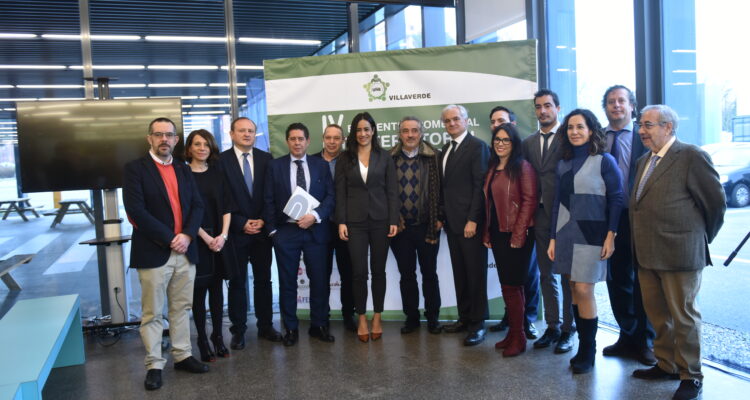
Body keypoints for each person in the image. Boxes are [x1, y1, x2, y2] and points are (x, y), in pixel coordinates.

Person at [630, 105, 725, 400]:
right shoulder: (644, 160)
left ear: (668, 126)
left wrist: (698, 239)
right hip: (647, 254)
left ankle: (691, 375)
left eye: (647, 125)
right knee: (658, 315)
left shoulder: (691, 156)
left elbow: (715, 204)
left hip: (680, 253)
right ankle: (667, 364)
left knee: (684, 318)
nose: (641, 131)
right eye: (640, 125)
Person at [123, 117, 208, 391]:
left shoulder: (183, 168)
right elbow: (136, 212)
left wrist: (187, 235)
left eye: (169, 135)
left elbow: (197, 206)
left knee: (182, 308)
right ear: (149, 138)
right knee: (152, 313)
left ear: (175, 140)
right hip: (154, 251)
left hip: (185, 250)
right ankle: (154, 365)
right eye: (158, 134)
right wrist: (171, 238)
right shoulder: (135, 169)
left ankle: (182, 355)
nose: (164, 139)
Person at [547, 109, 624, 374]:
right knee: (572, 286)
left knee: (583, 289)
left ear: (591, 130)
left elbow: (617, 199)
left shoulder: (604, 161)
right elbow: (557, 204)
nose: (575, 132)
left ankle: (588, 351)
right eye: (570, 127)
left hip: (593, 232)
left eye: (580, 127)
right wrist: (552, 238)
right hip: (566, 231)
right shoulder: (563, 163)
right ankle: (582, 347)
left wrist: (611, 235)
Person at [264, 122, 336, 346]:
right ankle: (291, 329)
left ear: (308, 141)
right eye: (293, 139)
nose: (297, 143)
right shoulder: (275, 166)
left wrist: (314, 215)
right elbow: (268, 199)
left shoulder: (320, 165)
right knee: (287, 283)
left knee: (320, 281)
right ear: (287, 141)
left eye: (301, 139)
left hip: (316, 231)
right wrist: (273, 231)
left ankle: (319, 325)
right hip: (286, 232)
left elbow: (330, 197)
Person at [599, 85, 656, 365]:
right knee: (617, 279)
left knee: (643, 279)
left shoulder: (644, 136)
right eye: (611, 101)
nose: (616, 105)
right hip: (610, 219)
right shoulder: (597, 138)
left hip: (641, 218)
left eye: (621, 100)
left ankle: (645, 341)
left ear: (632, 106)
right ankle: (626, 334)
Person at [218, 117, 282, 349]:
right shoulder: (220, 161)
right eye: (242, 130)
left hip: (262, 232)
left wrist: (263, 219)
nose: (247, 134)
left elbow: (273, 193)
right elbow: (220, 198)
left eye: (251, 131)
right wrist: (240, 222)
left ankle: (266, 326)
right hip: (236, 233)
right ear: (231, 134)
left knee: (264, 281)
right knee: (237, 282)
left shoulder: (267, 159)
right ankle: (239, 330)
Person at [335, 112, 399, 343]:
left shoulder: (385, 156)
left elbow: (392, 191)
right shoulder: (345, 158)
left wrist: (393, 220)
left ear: (373, 131)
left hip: (381, 221)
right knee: (359, 272)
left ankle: (377, 317)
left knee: (379, 271)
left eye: (366, 129)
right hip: (355, 223)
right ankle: (361, 318)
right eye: (359, 130)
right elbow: (340, 192)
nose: (362, 134)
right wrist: (341, 221)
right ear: (354, 133)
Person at [521, 89, 576, 354]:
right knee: (545, 273)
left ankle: (568, 329)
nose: (542, 111)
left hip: (566, 214)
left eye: (547, 105)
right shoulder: (528, 143)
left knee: (567, 275)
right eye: (538, 106)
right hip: (540, 214)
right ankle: (552, 326)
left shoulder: (570, 138)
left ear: (558, 108)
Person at [482, 123, 537, 357]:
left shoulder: (523, 167)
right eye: (497, 140)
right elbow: (490, 205)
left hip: (517, 233)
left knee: (513, 286)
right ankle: (514, 333)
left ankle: (519, 337)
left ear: (514, 144)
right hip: (498, 232)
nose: (501, 144)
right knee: (509, 285)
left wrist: (518, 233)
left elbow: (530, 201)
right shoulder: (493, 167)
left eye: (506, 140)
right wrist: (487, 232)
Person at [439, 104, 490, 346]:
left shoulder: (477, 147)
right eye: (447, 121)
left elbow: (481, 187)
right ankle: (465, 317)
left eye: (456, 119)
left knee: (475, 274)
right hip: (452, 223)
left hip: (470, 224)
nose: (452, 123)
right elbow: (446, 188)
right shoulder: (445, 149)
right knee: (460, 273)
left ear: (466, 121)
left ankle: (478, 324)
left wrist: (473, 219)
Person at [389, 116, 443, 335]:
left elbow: (443, 189)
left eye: (414, 130)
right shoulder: (389, 158)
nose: (410, 135)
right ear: (399, 134)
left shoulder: (434, 157)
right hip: (400, 228)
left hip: (427, 226)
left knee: (430, 273)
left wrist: (440, 216)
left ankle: (433, 318)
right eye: (405, 131)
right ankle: (411, 317)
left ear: (421, 133)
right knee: (407, 275)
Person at [184, 129, 235, 362]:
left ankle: (218, 337)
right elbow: (185, 213)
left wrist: (223, 236)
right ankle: (202, 340)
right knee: (198, 293)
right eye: (197, 144)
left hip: (220, 240)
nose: (202, 148)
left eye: (206, 144)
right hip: (197, 240)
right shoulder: (183, 175)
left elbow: (227, 207)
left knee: (217, 291)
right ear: (189, 148)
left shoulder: (218, 173)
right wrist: (206, 238)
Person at [312, 124, 356, 332]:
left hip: (345, 224)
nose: (332, 142)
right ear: (323, 138)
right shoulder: (312, 161)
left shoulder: (351, 160)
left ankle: (349, 314)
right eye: (328, 137)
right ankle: (323, 316)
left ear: (343, 140)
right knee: (321, 274)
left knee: (348, 273)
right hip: (319, 226)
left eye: (336, 138)